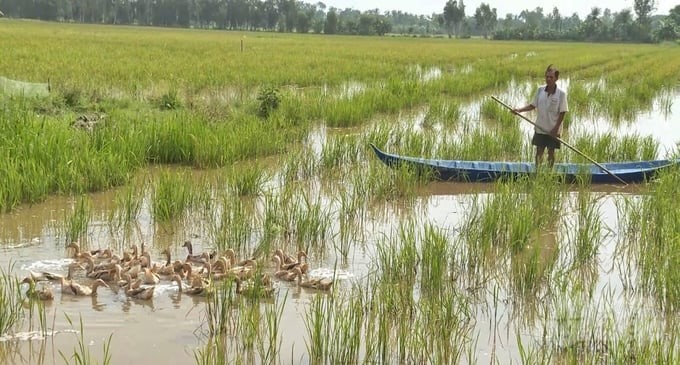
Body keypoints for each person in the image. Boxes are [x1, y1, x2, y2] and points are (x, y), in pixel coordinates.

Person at [513, 64, 569, 167]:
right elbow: (532, 105)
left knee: (551, 152)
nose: (548, 79)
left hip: (553, 129)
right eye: (547, 76)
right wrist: (519, 110)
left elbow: (562, 113)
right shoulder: (540, 90)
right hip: (540, 127)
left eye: (551, 77)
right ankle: (537, 172)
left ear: (556, 78)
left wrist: (556, 129)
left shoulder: (561, 94)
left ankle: (549, 173)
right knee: (539, 151)